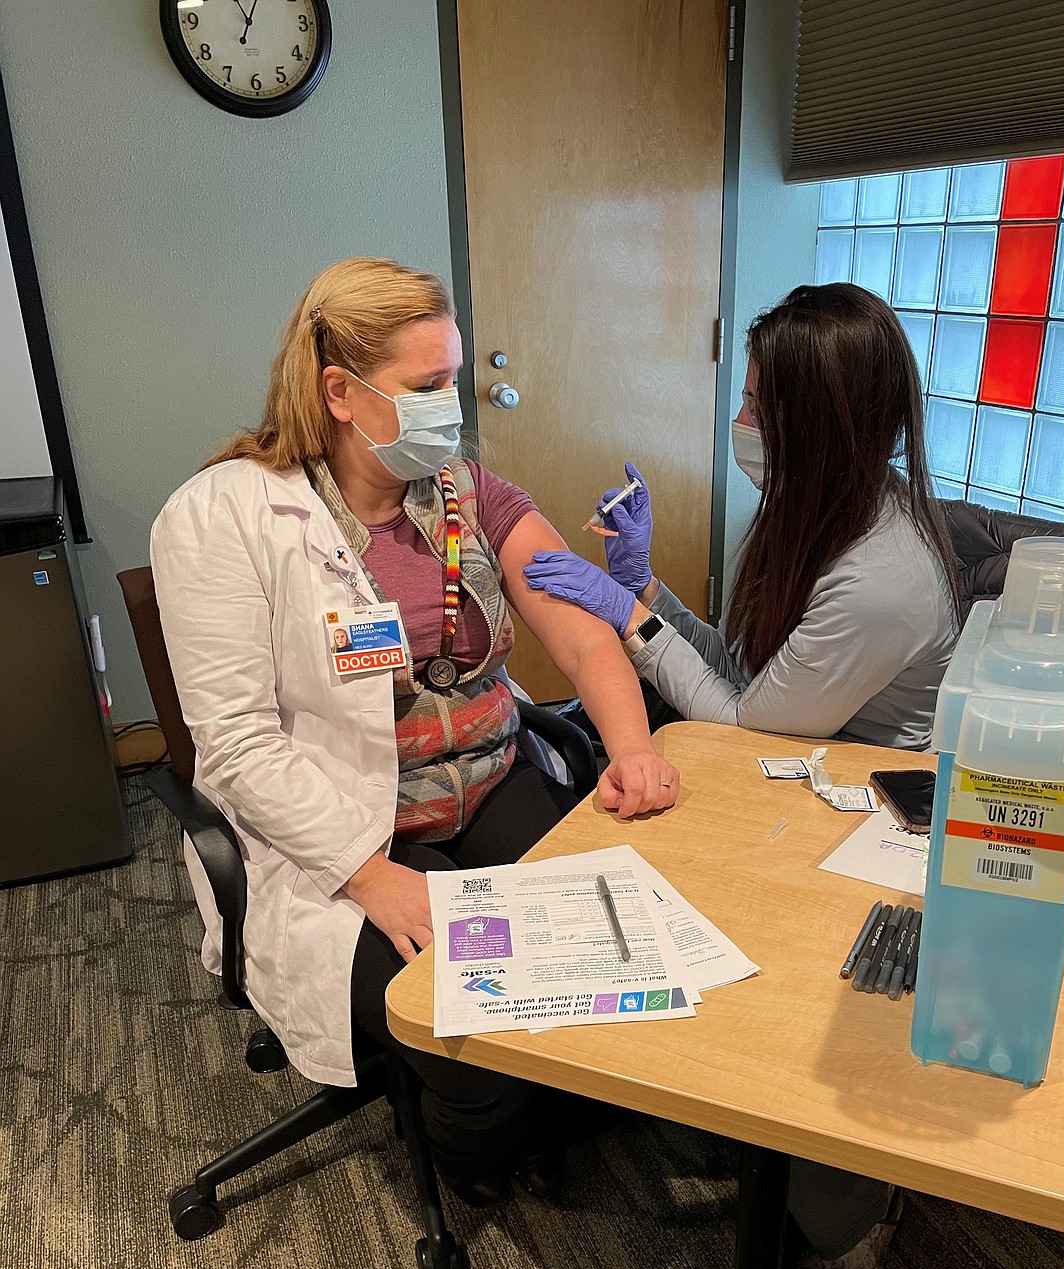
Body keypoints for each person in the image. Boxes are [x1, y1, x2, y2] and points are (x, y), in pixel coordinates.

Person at [152, 257, 679, 1206]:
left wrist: (635, 745)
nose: (451, 411)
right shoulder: (225, 515)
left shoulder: (465, 493)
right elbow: (233, 743)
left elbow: (579, 627)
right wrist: (370, 874)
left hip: (484, 774)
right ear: (342, 393)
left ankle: (549, 1102)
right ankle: (477, 1157)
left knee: (618, 939)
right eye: (426, 388)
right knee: (471, 1026)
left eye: (454, 381)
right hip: (346, 823)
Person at [522, 282, 962, 1269]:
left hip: (859, 818)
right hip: (782, 778)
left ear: (821, 422)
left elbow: (742, 721)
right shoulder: (813, 512)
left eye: (762, 404)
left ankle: (859, 1214)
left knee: (800, 1034)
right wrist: (650, 588)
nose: (743, 423)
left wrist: (629, 615)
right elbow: (747, 674)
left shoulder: (884, 575)